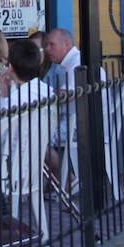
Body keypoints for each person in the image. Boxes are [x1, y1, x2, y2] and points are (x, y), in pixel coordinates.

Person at [43, 27, 82, 175]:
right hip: (72, 120)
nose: (47, 49)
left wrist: (41, 95)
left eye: (52, 45)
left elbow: (69, 94)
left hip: (80, 124)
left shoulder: (77, 63)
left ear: (66, 45)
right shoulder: (71, 62)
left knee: (35, 139)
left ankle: (68, 180)